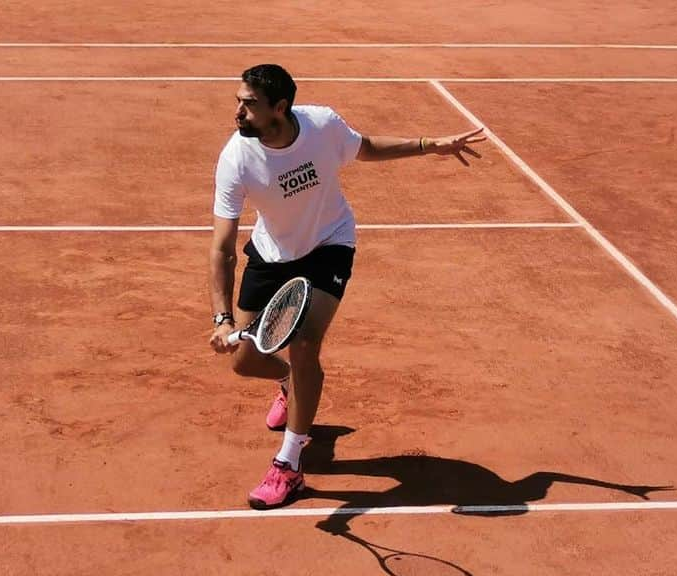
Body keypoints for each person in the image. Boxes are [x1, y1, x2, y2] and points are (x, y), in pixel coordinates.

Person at [208, 64, 488, 509]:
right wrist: (221, 318)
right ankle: (287, 382)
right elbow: (223, 246)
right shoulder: (236, 158)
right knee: (245, 362)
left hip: (328, 244)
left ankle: (289, 465)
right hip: (272, 252)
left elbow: (366, 148)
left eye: (249, 103)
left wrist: (428, 145)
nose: (238, 110)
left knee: (304, 347)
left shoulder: (322, 126)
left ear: (280, 108)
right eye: (238, 100)